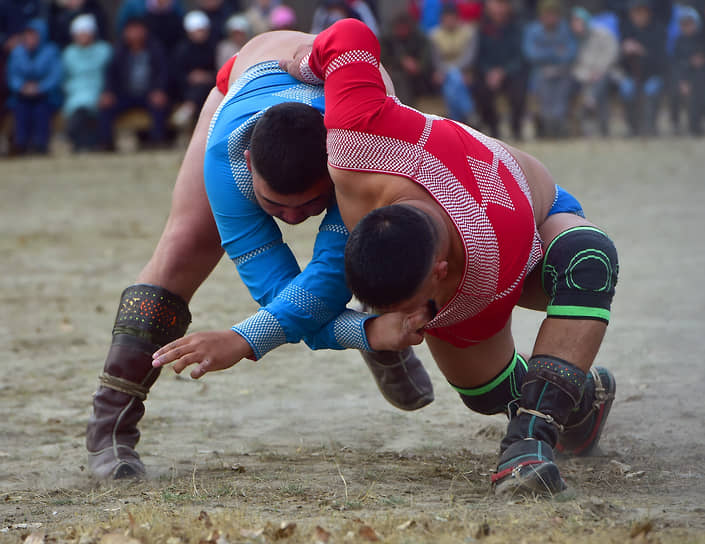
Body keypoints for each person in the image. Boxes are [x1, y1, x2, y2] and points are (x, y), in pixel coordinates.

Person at [280, 18, 619, 497]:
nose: (410, 319)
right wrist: (297, 64)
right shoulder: (357, 137)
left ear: (441, 270)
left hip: (536, 224)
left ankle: (530, 439)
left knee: (588, 259)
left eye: (415, 303)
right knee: (486, 392)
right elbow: (348, 34)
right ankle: (584, 400)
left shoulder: (485, 266)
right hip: (477, 245)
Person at [87, 29, 434, 480]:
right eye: (275, 205)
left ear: (332, 174)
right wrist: (367, 332)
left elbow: (324, 286)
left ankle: (381, 304)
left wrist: (243, 340)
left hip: (352, 99)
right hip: (245, 79)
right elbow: (281, 295)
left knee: (380, 237)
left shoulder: (353, 156)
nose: (292, 220)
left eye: (309, 206)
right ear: (249, 163)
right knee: (184, 245)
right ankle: (109, 426)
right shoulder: (226, 159)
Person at [98, 17, 170, 150]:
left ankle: (157, 141)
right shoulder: (119, 51)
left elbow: (163, 73)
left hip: (149, 93)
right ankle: (106, 143)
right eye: (131, 30)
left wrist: (160, 90)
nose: (135, 34)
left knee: (159, 103)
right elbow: (111, 74)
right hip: (125, 94)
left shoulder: (156, 49)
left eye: (138, 29)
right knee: (106, 105)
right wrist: (108, 92)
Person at [6, 19, 62, 155]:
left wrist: (40, 87)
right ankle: (20, 143)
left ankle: (40, 144)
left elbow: (56, 75)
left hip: (46, 94)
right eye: (28, 35)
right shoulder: (17, 52)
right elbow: (12, 75)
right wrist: (21, 87)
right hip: (22, 95)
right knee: (21, 109)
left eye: (34, 36)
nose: (30, 39)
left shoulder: (51, 51)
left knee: (41, 109)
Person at [523, 0, 577, 138]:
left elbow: (571, 52)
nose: (550, 18)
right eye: (547, 14)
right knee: (541, 86)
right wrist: (555, 52)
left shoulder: (565, 29)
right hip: (539, 72)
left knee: (562, 91)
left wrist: (546, 53)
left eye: (554, 15)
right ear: (541, 16)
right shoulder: (532, 30)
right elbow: (530, 54)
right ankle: (546, 124)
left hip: (562, 71)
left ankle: (558, 123)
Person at [473, 0, 527, 140]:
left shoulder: (516, 27)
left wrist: (503, 72)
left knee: (519, 90)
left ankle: (516, 128)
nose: (499, 9)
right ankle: (493, 128)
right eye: (496, 4)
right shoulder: (483, 28)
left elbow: (520, 56)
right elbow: (479, 56)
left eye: (502, 5)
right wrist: (489, 72)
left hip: (511, 72)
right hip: (488, 73)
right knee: (480, 89)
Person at [61, 14, 112, 152]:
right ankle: (83, 145)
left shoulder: (104, 50)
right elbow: (64, 77)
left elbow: (111, 74)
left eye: (86, 32)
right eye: (80, 33)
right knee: (80, 111)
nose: (83, 36)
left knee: (90, 110)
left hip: (98, 90)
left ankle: (88, 145)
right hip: (75, 93)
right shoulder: (69, 53)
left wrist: (107, 91)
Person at [617, 0, 667, 136]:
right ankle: (632, 127)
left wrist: (642, 52)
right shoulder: (626, 30)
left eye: (641, 12)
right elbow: (619, 63)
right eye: (635, 12)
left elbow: (661, 61)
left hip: (653, 75)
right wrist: (624, 52)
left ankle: (650, 127)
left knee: (651, 89)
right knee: (626, 88)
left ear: (648, 13)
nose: (638, 16)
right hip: (632, 76)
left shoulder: (659, 30)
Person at [570, 6, 619, 136]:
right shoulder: (574, 39)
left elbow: (612, 54)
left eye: (578, 21)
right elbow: (574, 64)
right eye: (574, 22)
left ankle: (603, 126)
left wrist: (599, 71)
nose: (576, 25)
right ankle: (580, 127)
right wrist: (586, 75)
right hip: (583, 77)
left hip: (606, 72)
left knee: (601, 86)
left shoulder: (603, 34)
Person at [429, 4, 477, 123]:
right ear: (441, 19)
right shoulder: (434, 35)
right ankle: (469, 112)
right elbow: (435, 60)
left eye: (452, 18)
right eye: (446, 18)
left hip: (465, 71)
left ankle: (456, 121)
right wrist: (447, 71)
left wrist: (453, 69)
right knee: (454, 80)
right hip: (443, 74)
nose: (449, 21)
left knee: (453, 81)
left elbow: (470, 57)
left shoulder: (468, 32)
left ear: (457, 18)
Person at [169, 11, 217, 128]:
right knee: (198, 89)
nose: (200, 34)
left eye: (202, 30)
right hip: (185, 88)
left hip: (209, 86)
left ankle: (188, 108)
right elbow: (176, 73)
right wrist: (190, 77)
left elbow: (218, 69)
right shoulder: (181, 49)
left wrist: (206, 76)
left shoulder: (212, 47)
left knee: (203, 89)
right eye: (197, 31)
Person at [379, 12, 433, 107]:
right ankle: (403, 108)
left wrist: (417, 65)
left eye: (404, 28)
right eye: (399, 28)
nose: (402, 31)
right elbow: (383, 59)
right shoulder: (387, 39)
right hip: (395, 73)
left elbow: (427, 58)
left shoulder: (419, 37)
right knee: (399, 79)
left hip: (420, 75)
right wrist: (402, 61)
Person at [671, 7, 705, 136]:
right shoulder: (679, 41)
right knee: (676, 90)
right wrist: (683, 81)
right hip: (684, 75)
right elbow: (676, 63)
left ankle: (696, 126)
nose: (687, 27)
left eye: (690, 24)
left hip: (700, 76)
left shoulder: (701, 39)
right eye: (684, 24)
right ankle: (677, 124)